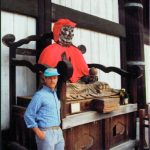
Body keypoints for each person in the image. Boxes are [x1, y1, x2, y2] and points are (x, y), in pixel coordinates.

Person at [24, 68, 65, 150]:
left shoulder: (54, 94)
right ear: (45, 79)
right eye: (49, 78)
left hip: (58, 132)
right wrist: (38, 132)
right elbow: (28, 115)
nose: (52, 80)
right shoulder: (40, 95)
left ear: (57, 79)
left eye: (54, 78)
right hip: (46, 133)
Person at [38, 18, 89, 83]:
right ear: (58, 31)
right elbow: (46, 73)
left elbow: (83, 71)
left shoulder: (76, 51)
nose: (70, 34)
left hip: (77, 82)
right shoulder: (50, 50)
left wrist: (86, 77)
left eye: (72, 31)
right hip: (59, 82)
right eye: (66, 30)